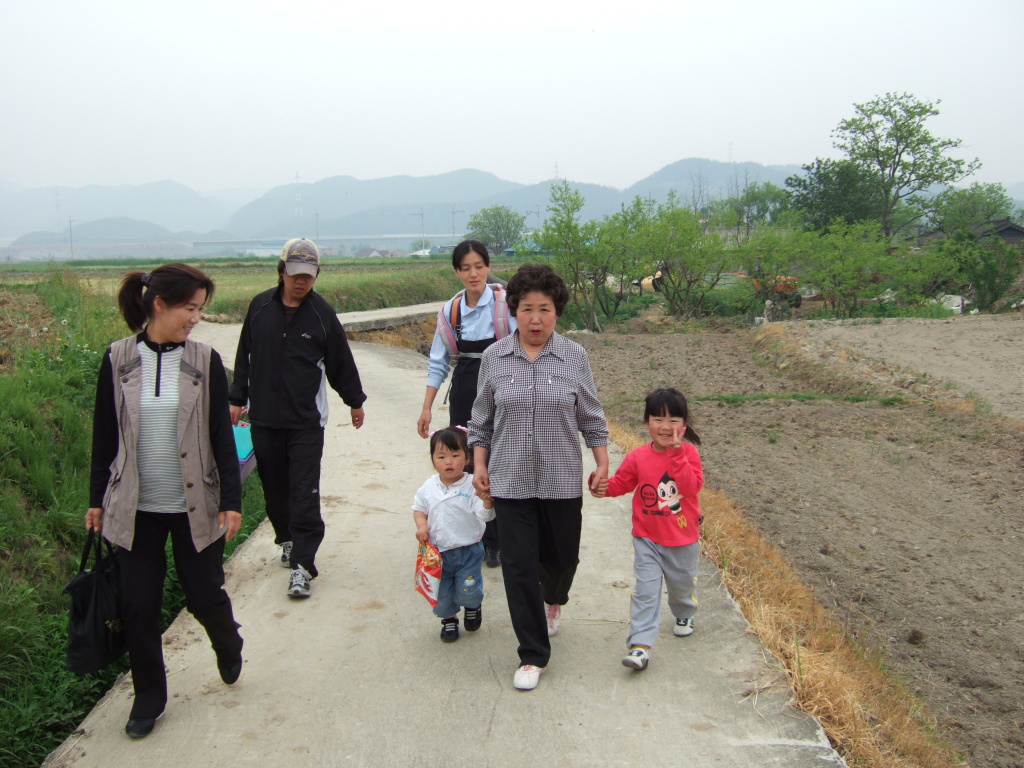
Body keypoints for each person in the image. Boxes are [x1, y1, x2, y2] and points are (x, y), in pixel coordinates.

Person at [85, 263, 243, 739]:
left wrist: (231, 501)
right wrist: (97, 499)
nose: (196, 317)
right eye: (190, 308)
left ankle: (227, 641)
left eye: (200, 309)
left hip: (194, 505)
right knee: (139, 606)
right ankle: (148, 699)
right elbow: (104, 435)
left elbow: (221, 434)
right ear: (159, 305)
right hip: (136, 508)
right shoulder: (117, 359)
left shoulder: (204, 359)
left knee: (203, 596)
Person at [469, 263, 609, 691]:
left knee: (562, 558)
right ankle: (532, 653)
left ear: (557, 311)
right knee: (518, 566)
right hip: (509, 479)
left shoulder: (573, 356)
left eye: (544, 309)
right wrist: (479, 465)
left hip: (562, 478)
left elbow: (591, 414)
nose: (535, 319)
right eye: (526, 308)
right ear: (513, 310)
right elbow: (481, 420)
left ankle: (556, 598)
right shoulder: (495, 358)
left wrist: (602, 462)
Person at [229, 238, 366, 599]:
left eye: (309, 275)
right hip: (264, 420)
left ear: (316, 275)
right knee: (275, 490)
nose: (301, 282)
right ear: (282, 271)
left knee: (304, 492)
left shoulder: (322, 315)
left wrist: (355, 400)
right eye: (295, 274)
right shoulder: (260, 307)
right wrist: (235, 397)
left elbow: (340, 362)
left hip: (306, 422)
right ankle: (287, 539)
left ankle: (304, 564)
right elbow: (245, 355)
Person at [417, 239, 515, 569]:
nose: (473, 274)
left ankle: (507, 537)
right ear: (457, 272)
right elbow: (438, 361)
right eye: (465, 268)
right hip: (464, 392)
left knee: (503, 461)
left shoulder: (505, 306)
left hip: (502, 389)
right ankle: (482, 539)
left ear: (488, 267)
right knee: (470, 463)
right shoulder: (451, 311)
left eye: (479, 266)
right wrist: (427, 406)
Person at [593, 387, 703, 672]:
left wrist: (677, 456)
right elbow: (622, 484)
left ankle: (684, 613)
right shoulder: (639, 456)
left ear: (684, 425)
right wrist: (602, 487)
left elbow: (691, 489)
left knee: (681, 586)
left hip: (682, 538)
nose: (665, 427)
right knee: (646, 591)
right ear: (646, 423)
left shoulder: (689, 453)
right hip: (647, 539)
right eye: (657, 419)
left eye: (673, 421)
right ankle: (640, 646)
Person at [413, 426, 495, 642]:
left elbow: (483, 515)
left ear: (467, 457)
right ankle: (449, 619)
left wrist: (486, 501)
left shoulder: (471, 485)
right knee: (442, 593)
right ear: (432, 459)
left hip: (468, 550)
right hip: (437, 554)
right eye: (441, 456)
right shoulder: (429, 487)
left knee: (467, 589)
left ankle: (472, 606)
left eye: (455, 455)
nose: (448, 462)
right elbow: (419, 508)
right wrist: (422, 526)